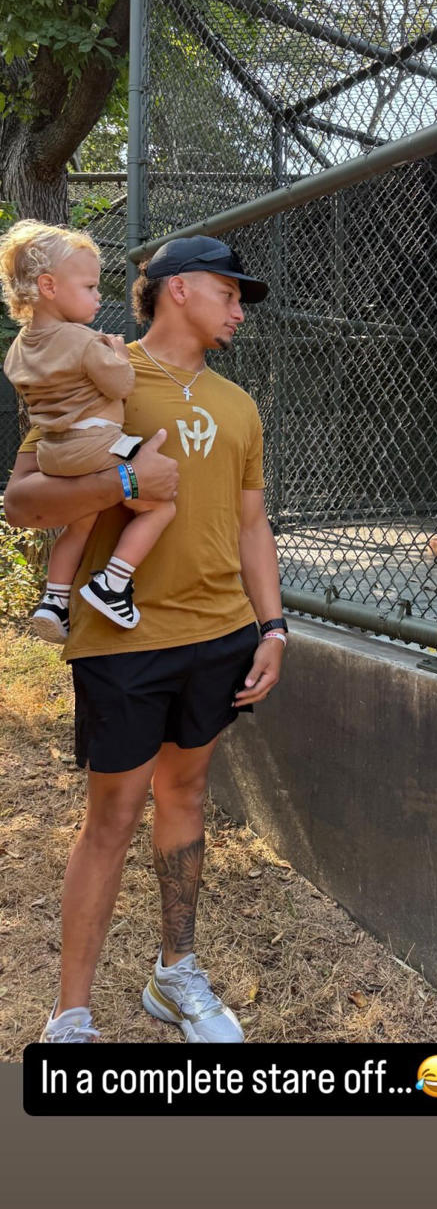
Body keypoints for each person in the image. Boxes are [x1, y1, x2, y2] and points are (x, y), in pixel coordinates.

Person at [3, 234, 286, 1044]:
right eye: (229, 292)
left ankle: (175, 974)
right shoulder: (99, 367)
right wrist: (125, 480)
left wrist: (274, 627)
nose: (239, 309)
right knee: (113, 815)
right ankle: (72, 1014)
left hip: (220, 636)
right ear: (179, 289)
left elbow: (251, 523)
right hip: (121, 641)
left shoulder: (240, 404)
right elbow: (23, 500)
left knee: (186, 796)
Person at [1, 220, 175, 640]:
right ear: (48, 286)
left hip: (53, 452)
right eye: (90, 287)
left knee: (80, 522)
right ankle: (112, 583)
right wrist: (116, 353)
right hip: (97, 443)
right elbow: (121, 386)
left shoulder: (18, 350)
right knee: (162, 505)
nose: (98, 296)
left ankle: (54, 601)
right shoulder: (83, 342)